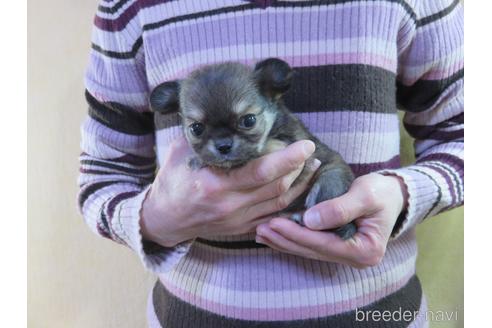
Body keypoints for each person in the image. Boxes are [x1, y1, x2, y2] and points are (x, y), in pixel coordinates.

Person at [78, 0, 463, 326]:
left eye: (247, 122)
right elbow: (102, 175)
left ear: (272, 94)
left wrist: (401, 194)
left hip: (379, 312)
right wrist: (155, 220)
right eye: (197, 130)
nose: (223, 144)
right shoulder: (128, 9)